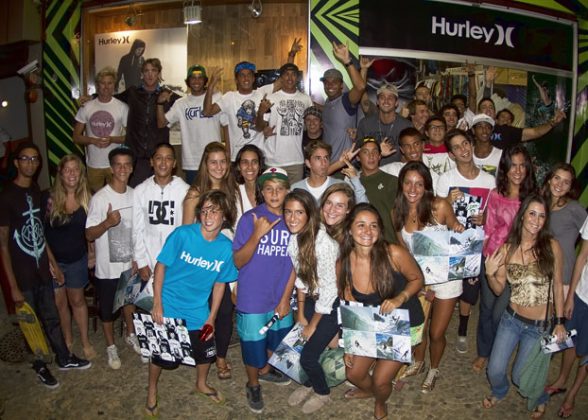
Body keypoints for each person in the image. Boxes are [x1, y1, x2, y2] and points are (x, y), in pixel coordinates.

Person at [0, 143, 90, 389]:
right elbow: (4, 246)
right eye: (25, 159)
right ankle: (40, 366)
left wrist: (52, 264)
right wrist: (12, 287)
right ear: (16, 162)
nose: (30, 163)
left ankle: (63, 358)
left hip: (42, 268)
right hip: (22, 272)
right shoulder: (6, 196)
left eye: (34, 159)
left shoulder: (37, 193)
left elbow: (41, 235)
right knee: (31, 322)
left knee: (51, 316)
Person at [145, 190, 239, 417]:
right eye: (205, 210)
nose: (208, 215)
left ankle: (201, 383)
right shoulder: (182, 235)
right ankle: (151, 389)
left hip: (198, 309)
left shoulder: (226, 248)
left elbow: (219, 285)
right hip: (169, 303)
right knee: (161, 355)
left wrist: (211, 317)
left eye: (214, 211)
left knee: (206, 351)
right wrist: (157, 303)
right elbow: (161, 266)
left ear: (224, 215)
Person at [483, 194, 566, 419]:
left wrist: (559, 322)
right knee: (495, 370)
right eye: (532, 214)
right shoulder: (507, 249)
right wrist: (490, 273)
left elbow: (558, 286)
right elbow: (499, 289)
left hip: (539, 327)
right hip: (511, 320)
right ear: (522, 216)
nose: (536, 220)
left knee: (522, 376)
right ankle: (500, 391)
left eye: (541, 216)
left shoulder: (551, 246)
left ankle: (540, 397)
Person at [338, 203, 424, 420]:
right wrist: (349, 342)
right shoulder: (344, 262)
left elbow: (417, 279)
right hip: (370, 322)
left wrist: (399, 297)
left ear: (379, 229)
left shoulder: (394, 253)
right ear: (350, 229)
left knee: (381, 380)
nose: (368, 231)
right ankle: (369, 391)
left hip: (402, 322)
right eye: (361, 225)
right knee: (354, 373)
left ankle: (380, 399)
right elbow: (348, 303)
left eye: (373, 226)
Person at [391, 161, 464, 393]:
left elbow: (455, 230)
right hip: (421, 280)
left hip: (447, 280)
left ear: (427, 186)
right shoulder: (397, 212)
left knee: (436, 332)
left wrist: (460, 228)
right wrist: (419, 285)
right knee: (418, 328)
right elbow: (404, 252)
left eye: (419, 184)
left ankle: (434, 368)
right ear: (401, 184)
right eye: (408, 183)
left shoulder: (439, 205)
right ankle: (419, 363)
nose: (413, 189)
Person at [233, 167, 296, 413]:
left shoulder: (293, 220)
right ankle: (253, 382)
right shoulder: (250, 218)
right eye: (268, 188)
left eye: (280, 188)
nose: (274, 193)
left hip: (280, 296)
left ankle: (266, 370)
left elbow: (295, 264)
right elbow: (238, 261)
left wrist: (285, 299)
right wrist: (256, 236)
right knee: (252, 344)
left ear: (287, 191)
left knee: (276, 340)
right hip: (253, 297)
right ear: (261, 191)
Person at [473, 145, 536, 373]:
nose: (517, 171)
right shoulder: (495, 194)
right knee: (487, 310)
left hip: (518, 265)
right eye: (513, 165)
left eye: (522, 165)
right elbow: (488, 230)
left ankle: (499, 354)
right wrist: (485, 261)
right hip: (492, 260)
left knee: (502, 313)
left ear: (528, 168)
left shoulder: (532, 200)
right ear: (505, 169)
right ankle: (483, 352)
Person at [182, 141, 238, 379]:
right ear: (205, 164)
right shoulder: (195, 193)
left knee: (225, 311)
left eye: (223, 161)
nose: (218, 166)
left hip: (227, 260)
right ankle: (203, 354)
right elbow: (185, 231)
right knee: (202, 312)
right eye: (213, 161)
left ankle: (221, 356)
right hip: (202, 263)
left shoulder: (233, 190)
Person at [436, 129, 495, 355]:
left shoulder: (489, 180)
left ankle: (462, 329)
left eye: (465, 144)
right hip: (451, 243)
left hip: (475, 244)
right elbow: (436, 214)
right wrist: (445, 201)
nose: (464, 149)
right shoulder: (446, 179)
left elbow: (494, 214)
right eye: (457, 147)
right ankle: (440, 325)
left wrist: (486, 218)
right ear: (451, 154)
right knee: (449, 285)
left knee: (470, 293)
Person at [283, 189, 339, 414]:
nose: (292, 218)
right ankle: (310, 383)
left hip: (332, 302)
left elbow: (330, 289)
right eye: (288, 212)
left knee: (307, 356)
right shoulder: (294, 239)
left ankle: (322, 392)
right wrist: (300, 311)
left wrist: (313, 324)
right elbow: (301, 278)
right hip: (314, 300)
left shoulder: (322, 243)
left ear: (309, 215)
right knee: (306, 347)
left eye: (299, 213)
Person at [85, 147, 139, 369]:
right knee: (107, 310)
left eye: (127, 164)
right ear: (111, 168)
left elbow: (139, 231)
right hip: (107, 268)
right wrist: (107, 223)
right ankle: (110, 347)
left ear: (132, 168)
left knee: (129, 304)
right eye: (118, 164)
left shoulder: (135, 194)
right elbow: (88, 234)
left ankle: (131, 334)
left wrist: (138, 258)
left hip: (129, 264)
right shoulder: (100, 198)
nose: (123, 168)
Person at [42, 154, 96, 360]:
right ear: (60, 173)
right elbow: (41, 234)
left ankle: (85, 341)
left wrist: (92, 253)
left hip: (77, 259)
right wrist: (51, 263)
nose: (72, 173)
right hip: (54, 260)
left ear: (81, 172)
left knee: (77, 300)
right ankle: (67, 338)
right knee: (60, 302)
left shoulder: (88, 198)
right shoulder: (48, 198)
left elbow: (90, 230)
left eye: (76, 169)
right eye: (67, 169)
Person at [542, 163, 587, 400]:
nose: (559, 184)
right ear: (549, 179)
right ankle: (540, 367)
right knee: (548, 328)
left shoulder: (576, 210)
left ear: (571, 187)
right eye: (556, 178)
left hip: (566, 278)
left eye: (566, 181)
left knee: (568, 333)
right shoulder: (540, 205)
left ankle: (561, 380)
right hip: (542, 276)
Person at [132, 143, 189, 290]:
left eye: (168, 158)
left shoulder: (185, 191)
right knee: (150, 309)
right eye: (159, 158)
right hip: (149, 261)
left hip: (175, 261)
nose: (163, 163)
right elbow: (136, 229)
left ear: (174, 163)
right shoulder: (140, 191)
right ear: (151, 162)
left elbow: (187, 230)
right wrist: (141, 261)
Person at [156, 65, 225, 185]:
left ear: (205, 81)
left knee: (216, 197)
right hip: (192, 161)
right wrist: (159, 104)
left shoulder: (217, 97)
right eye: (193, 78)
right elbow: (162, 123)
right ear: (187, 81)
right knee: (195, 199)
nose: (196, 81)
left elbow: (226, 125)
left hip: (214, 160)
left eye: (200, 78)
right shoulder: (181, 103)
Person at [116, 58, 180, 187]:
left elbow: (188, 103)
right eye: (146, 71)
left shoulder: (167, 95)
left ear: (159, 74)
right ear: (141, 74)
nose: (150, 74)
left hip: (158, 157)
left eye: (153, 70)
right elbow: (110, 98)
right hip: (136, 156)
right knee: (134, 194)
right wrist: (91, 97)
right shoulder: (133, 93)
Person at [203, 62, 275, 161]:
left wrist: (261, 113)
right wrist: (210, 86)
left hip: (257, 156)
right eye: (242, 75)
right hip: (236, 157)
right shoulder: (229, 97)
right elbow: (207, 112)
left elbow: (259, 128)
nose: (246, 78)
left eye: (249, 75)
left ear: (254, 78)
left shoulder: (261, 95)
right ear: (236, 80)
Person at [73, 66, 128, 192]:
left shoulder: (122, 107)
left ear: (114, 85)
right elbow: (76, 137)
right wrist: (93, 141)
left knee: (116, 199)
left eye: (109, 83)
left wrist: (112, 139)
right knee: (94, 202)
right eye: (102, 83)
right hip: (93, 164)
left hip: (115, 164)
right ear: (97, 85)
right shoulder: (86, 107)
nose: (106, 86)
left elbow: (129, 137)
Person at [256, 63, 313, 183]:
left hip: (296, 160)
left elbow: (310, 126)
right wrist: (260, 112)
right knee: (274, 198)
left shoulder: (306, 99)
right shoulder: (271, 98)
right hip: (274, 160)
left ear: (297, 78)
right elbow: (260, 127)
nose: (290, 78)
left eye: (293, 75)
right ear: (280, 78)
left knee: (294, 199)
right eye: (286, 74)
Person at [554, 217, 588, 418]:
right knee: (570, 341)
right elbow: (583, 256)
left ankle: (572, 394)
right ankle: (561, 379)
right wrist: (570, 297)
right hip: (583, 294)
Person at [320, 41, 366, 163]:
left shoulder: (346, 100)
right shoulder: (327, 102)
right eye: (326, 82)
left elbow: (360, 87)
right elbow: (325, 110)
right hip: (329, 164)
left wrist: (347, 61)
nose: (329, 85)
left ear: (341, 85)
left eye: (334, 82)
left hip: (344, 165)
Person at [291, 140, 366, 204]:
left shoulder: (340, 186)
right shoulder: (296, 189)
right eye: (318, 158)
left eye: (326, 158)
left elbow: (364, 207)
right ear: (308, 163)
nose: (323, 162)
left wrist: (355, 180)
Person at [477, 97, 565, 150]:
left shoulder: (507, 131)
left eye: (491, 107)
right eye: (484, 107)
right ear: (478, 112)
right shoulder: (471, 131)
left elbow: (535, 132)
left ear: (495, 113)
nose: (488, 109)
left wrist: (553, 122)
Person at [356, 83, 412, 166]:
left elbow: (410, 155)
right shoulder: (365, 124)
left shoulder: (406, 126)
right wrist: (379, 152)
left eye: (390, 98)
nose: (386, 100)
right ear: (377, 102)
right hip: (371, 172)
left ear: (396, 103)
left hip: (395, 174)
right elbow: (358, 154)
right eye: (382, 97)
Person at [356, 137, 398, 244]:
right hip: (362, 242)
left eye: (375, 152)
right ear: (358, 157)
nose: (371, 156)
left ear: (380, 156)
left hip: (388, 242)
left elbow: (399, 216)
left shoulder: (392, 181)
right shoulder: (352, 182)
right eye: (365, 152)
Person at [380, 127, 440, 192]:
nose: (412, 149)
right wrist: (379, 154)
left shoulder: (432, 176)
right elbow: (369, 175)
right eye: (407, 146)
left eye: (416, 144)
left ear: (423, 145)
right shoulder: (394, 169)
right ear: (402, 149)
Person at [234, 144, 264, 225]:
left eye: (254, 162)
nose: (249, 167)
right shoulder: (234, 193)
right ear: (238, 166)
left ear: (260, 165)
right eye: (245, 162)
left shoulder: (270, 190)